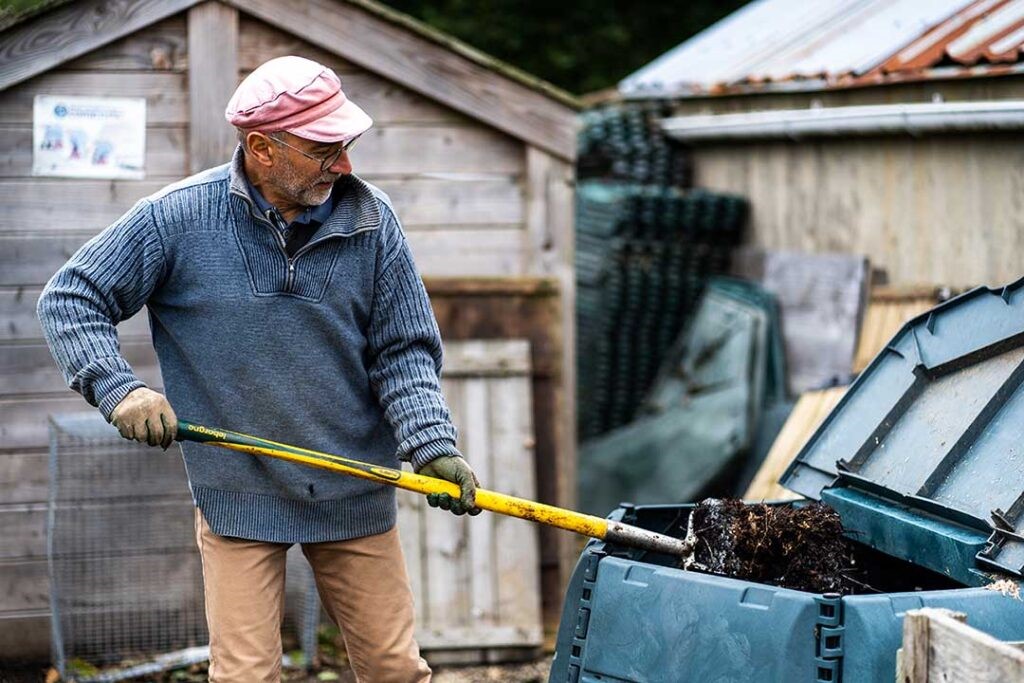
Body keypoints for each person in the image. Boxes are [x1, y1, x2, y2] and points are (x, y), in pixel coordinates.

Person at [37, 55, 481, 683]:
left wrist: (431, 444)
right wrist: (120, 389)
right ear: (262, 148)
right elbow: (71, 299)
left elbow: (402, 349)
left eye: (346, 144)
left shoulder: (373, 223)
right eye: (324, 147)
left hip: (353, 482)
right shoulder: (177, 219)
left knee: (393, 669)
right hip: (238, 490)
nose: (345, 164)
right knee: (245, 675)